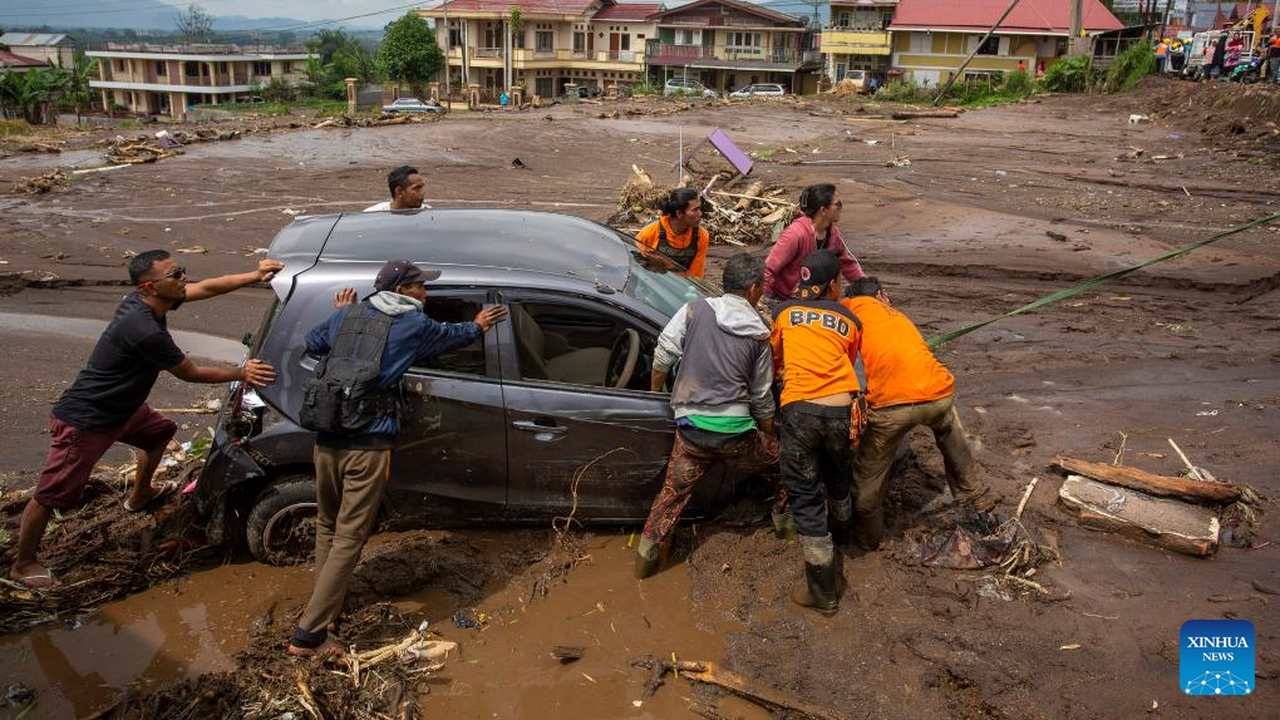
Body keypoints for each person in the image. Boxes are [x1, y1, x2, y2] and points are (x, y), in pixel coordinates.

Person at [8, 252, 282, 588]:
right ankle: (23, 564)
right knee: (51, 496)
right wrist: (242, 372)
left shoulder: (150, 300)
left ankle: (140, 496)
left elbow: (207, 288)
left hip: (124, 410)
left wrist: (254, 276)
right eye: (176, 274)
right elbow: (190, 373)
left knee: (159, 433)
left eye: (182, 271)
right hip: (88, 420)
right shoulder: (144, 329)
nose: (184, 279)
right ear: (151, 286)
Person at [288, 259, 508, 658]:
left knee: (328, 524)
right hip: (366, 446)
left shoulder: (350, 313)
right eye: (422, 287)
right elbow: (452, 337)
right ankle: (309, 636)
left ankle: (326, 611)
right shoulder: (413, 324)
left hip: (325, 439)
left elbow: (315, 342)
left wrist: (343, 316)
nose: (426, 294)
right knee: (351, 538)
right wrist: (478, 324)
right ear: (404, 290)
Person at [635, 253, 789, 579]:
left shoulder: (695, 309)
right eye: (761, 286)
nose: (762, 291)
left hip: (691, 432)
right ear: (751, 289)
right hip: (736, 434)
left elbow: (663, 354)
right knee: (786, 466)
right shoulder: (760, 333)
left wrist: (654, 394)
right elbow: (762, 397)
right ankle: (783, 525)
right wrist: (769, 435)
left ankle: (646, 557)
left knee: (672, 494)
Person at [841, 277, 992, 550]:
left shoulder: (849, 315)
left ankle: (869, 540)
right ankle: (979, 507)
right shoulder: (898, 316)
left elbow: (855, 372)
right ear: (881, 296)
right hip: (939, 396)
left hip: (892, 408)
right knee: (954, 444)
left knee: (867, 485)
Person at [770, 250, 863, 616]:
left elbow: (774, 360)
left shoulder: (782, 313)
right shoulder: (850, 318)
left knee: (806, 496)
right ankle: (845, 538)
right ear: (834, 284)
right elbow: (850, 360)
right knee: (839, 474)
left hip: (800, 409)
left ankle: (823, 592)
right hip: (841, 410)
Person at [763, 184, 865, 315]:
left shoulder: (833, 234)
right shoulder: (795, 234)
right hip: (785, 299)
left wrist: (867, 290)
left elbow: (848, 264)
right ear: (823, 210)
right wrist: (762, 302)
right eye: (837, 204)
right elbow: (769, 269)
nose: (841, 208)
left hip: (814, 297)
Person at [635, 187, 711, 278]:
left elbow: (695, 276)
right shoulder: (649, 233)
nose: (700, 214)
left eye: (700, 209)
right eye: (695, 210)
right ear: (679, 213)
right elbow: (636, 267)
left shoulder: (701, 236)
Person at [364, 165, 430, 213]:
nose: (423, 192)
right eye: (417, 188)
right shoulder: (373, 216)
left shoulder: (428, 214)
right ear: (399, 191)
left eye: (422, 187)